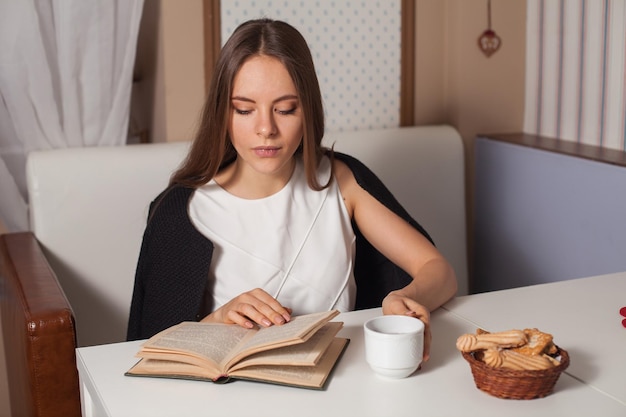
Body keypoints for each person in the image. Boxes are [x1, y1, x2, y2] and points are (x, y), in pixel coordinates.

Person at [127, 18, 457, 361]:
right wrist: (218, 320)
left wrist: (406, 297)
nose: (266, 128)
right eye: (244, 109)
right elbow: (152, 353)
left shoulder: (340, 181)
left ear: (308, 110)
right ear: (222, 114)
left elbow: (438, 269)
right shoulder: (182, 211)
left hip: (344, 383)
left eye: (285, 109)